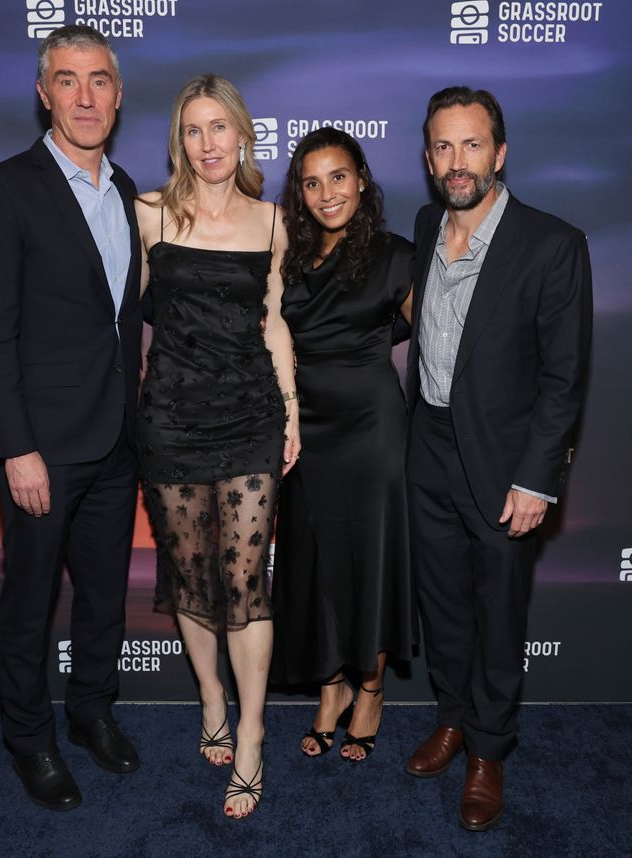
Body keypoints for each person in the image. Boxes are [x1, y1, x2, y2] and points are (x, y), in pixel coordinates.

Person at [0, 25, 142, 812]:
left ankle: (92, 711)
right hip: (43, 446)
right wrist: (17, 447)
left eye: (98, 79)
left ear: (118, 92)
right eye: (67, 80)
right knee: (31, 601)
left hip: (117, 437)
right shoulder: (2, 189)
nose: (85, 95)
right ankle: (30, 740)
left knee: (104, 594)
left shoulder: (131, 191)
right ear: (44, 94)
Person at [403, 86, 592, 831]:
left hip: (505, 461)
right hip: (429, 447)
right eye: (443, 147)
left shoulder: (552, 244)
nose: (458, 162)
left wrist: (537, 479)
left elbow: (563, 377)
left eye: (472, 145)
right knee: (443, 603)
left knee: (499, 612)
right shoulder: (424, 225)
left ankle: (488, 749)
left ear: (500, 153)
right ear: (428, 159)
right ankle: (452, 718)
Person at [134, 74, 299, 820]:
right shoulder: (148, 216)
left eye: (220, 128)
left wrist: (291, 413)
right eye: (194, 131)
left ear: (243, 134)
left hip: (249, 416)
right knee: (192, 572)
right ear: (181, 140)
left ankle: (254, 734)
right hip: (169, 413)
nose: (208, 144)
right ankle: (211, 701)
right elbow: (123, 315)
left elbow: (273, 323)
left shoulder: (271, 222)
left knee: (244, 579)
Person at [270, 128, 414, 763]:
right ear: (299, 193)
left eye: (338, 177)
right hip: (306, 428)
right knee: (315, 558)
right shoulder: (286, 258)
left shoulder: (396, 255)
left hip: (375, 428)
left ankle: (372, 689)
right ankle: (329, 688)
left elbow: (440, 340)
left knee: (372, 558)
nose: (327, 193)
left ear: (361, 178)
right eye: (311, 182)